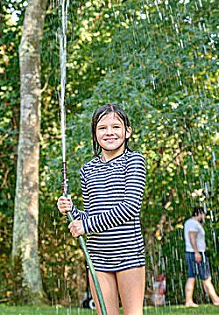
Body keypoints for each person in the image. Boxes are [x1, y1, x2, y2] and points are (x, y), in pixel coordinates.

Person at [57, 103, 146, 315]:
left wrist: (84, 225)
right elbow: (89, 216)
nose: (110, 132)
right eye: (102, 128)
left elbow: (130, 208)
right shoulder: (88, 169)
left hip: (129, 254)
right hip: (97, 256)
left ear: (127, 131)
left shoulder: (134, 161)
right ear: (95, 133)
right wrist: (71, 211)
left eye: (116, 127)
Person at [184, 206, 219, 307]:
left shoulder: (189, 222)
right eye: (203, 214)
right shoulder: (193, 224)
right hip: (196, 253)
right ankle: (215, 299)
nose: (204, 217)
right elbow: (192, 237)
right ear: (199, 214)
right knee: (206, 278)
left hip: (191, 252)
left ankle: (189, 301)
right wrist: (196, 252)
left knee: (192, 277)